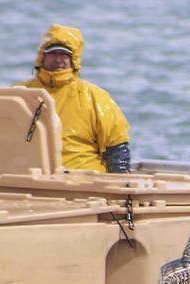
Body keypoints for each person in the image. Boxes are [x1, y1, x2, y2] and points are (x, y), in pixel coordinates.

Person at [18, 24, 131, 173]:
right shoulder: (20, 93)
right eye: (53, 53)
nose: (58, 59)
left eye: (64, 54)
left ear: (74, 59)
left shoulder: (95, 97)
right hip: (30, 176)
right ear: (42, 56)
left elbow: (117, 146)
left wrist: (120, 185)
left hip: (83, 179)